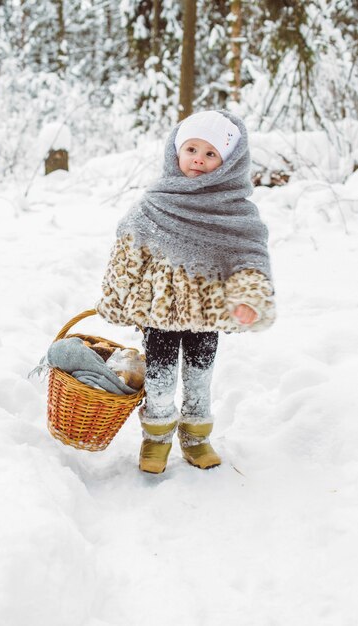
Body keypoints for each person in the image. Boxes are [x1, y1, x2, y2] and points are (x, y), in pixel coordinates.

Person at [96, 110, 276, 474]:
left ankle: (196, 436)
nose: (198, 159)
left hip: (205, 314)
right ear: (174, 151)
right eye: (192, 148)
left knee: (199, 375)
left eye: (211, 154)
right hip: (159, 313)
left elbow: (248, 259)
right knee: (160, 377)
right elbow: (128, 254)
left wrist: (248, 298)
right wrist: (117, 298)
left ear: (228, 163)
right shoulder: (154, 203)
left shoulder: (234, 212)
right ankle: (156, 437)